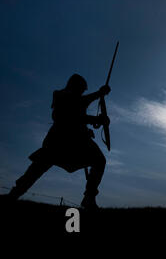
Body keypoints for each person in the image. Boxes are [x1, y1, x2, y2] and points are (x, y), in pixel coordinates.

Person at [8, 74, 111, 209]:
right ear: (75, 86)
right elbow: (72, 113)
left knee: (99, 161)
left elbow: (78, 112)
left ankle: (89, 198)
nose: (82, 92)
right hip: (58, 141)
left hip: (77, 141)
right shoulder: (61, 95)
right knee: (37, 169)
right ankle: (14, 194)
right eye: (81, 89)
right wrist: (98, 97)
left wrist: (92, 125)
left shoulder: (75, 99)